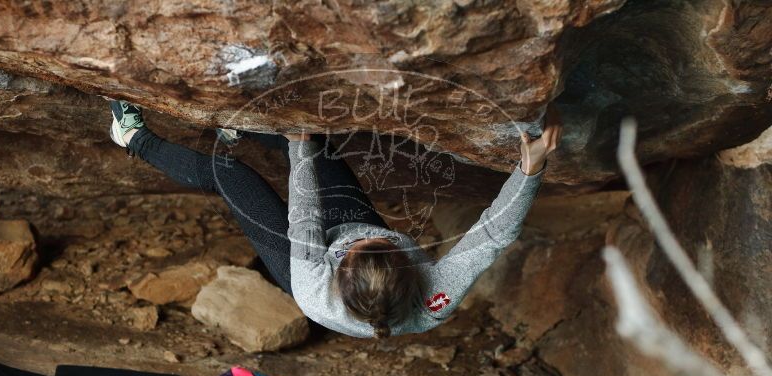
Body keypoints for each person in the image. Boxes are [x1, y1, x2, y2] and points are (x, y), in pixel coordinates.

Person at [109, 101, 561, 338]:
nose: (364, 237)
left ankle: (132, 136)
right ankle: (240, 124)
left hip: (298, 261)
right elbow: (493, 234)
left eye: (355, 249)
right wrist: (531, 168)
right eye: (379, 242)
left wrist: (298, 146)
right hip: (344, 237)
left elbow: (305, 217)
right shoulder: (438, 292)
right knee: (315, 144)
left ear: (337, 268)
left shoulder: (314, 285)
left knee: (231, 173)